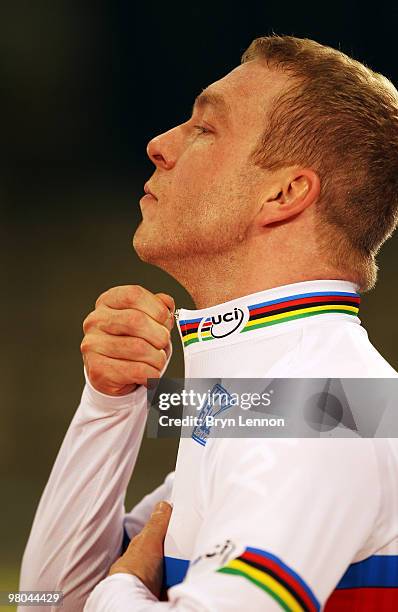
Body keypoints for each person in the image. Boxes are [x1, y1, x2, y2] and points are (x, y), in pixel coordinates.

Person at [19, 35, 398, 611]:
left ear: (286, 192)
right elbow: (46, 600)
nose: (159, 144)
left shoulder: (326, 404)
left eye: (205, 128)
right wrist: (110, 403)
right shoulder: (269, 396)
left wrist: (120, 588)